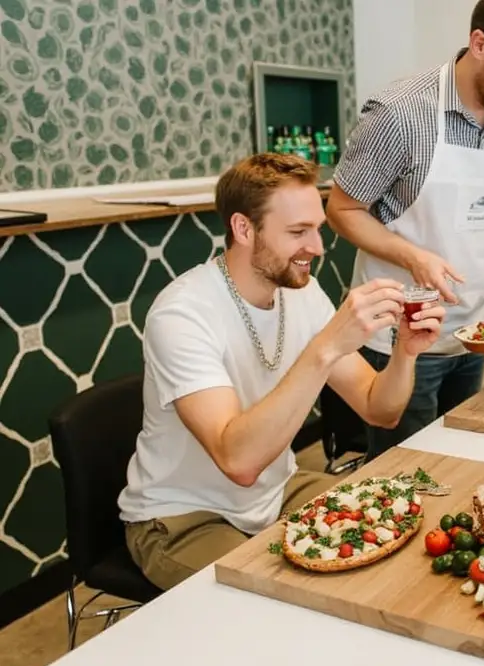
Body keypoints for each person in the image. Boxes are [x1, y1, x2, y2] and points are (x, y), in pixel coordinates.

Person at [117, 153, 446, 591]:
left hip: (278, 493)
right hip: (183, 518)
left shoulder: (301, 292)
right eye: (297, 232)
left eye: (317, 229)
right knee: (280, 604)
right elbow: (239, 462)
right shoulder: (182, 314)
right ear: (243, 229)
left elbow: (377, 409)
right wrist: (326, 347)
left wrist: (405, 352)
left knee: (400, 537)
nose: (317, 247)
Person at [325, 0, 484, 461]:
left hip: (474, 335)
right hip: (398, 338)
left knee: (465, 462)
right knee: (406, 474)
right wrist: (412, 256)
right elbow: (342, 209)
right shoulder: (400, 115)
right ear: (480, 44)